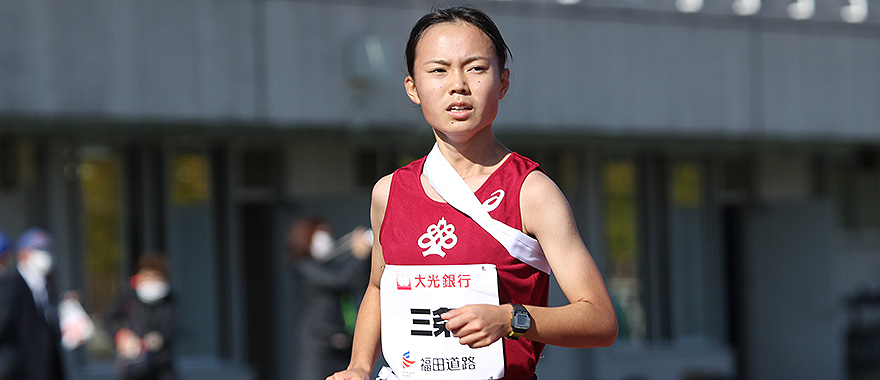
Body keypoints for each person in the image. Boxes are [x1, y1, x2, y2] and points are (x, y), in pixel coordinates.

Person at [327, 6, 617, 380]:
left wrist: (509, 318)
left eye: (476, 68)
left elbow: (600, 319)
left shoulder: (531, 191)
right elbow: (379, 287)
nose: (458, 85)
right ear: (412, 88)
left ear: (504, 82)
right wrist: (359, 366)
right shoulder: (389, 192)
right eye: (438, 69)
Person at [287, 216, 372, 380]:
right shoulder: (304, 267)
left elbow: (356, 281)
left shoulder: (330, 266)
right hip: (319, 353)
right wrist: (359, 256)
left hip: (343, 348)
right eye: (319, 233)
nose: (326, 238)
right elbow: (342, 280)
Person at [0, 227, 65, 380]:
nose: (44, 255)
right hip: (20, 370)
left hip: (48, 368)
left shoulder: (49, 284)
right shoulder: (11, 285)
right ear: (23, 253)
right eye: (38, 250)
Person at [103, 252, 177, 380]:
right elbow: (107, 319)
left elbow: (171, 327)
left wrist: (156, 339)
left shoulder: (170, 299)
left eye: (155, 277)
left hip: (162, 365)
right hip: (133, 365)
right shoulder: (129, 295)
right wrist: (122, 336)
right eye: (146, 276)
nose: (150, 281)